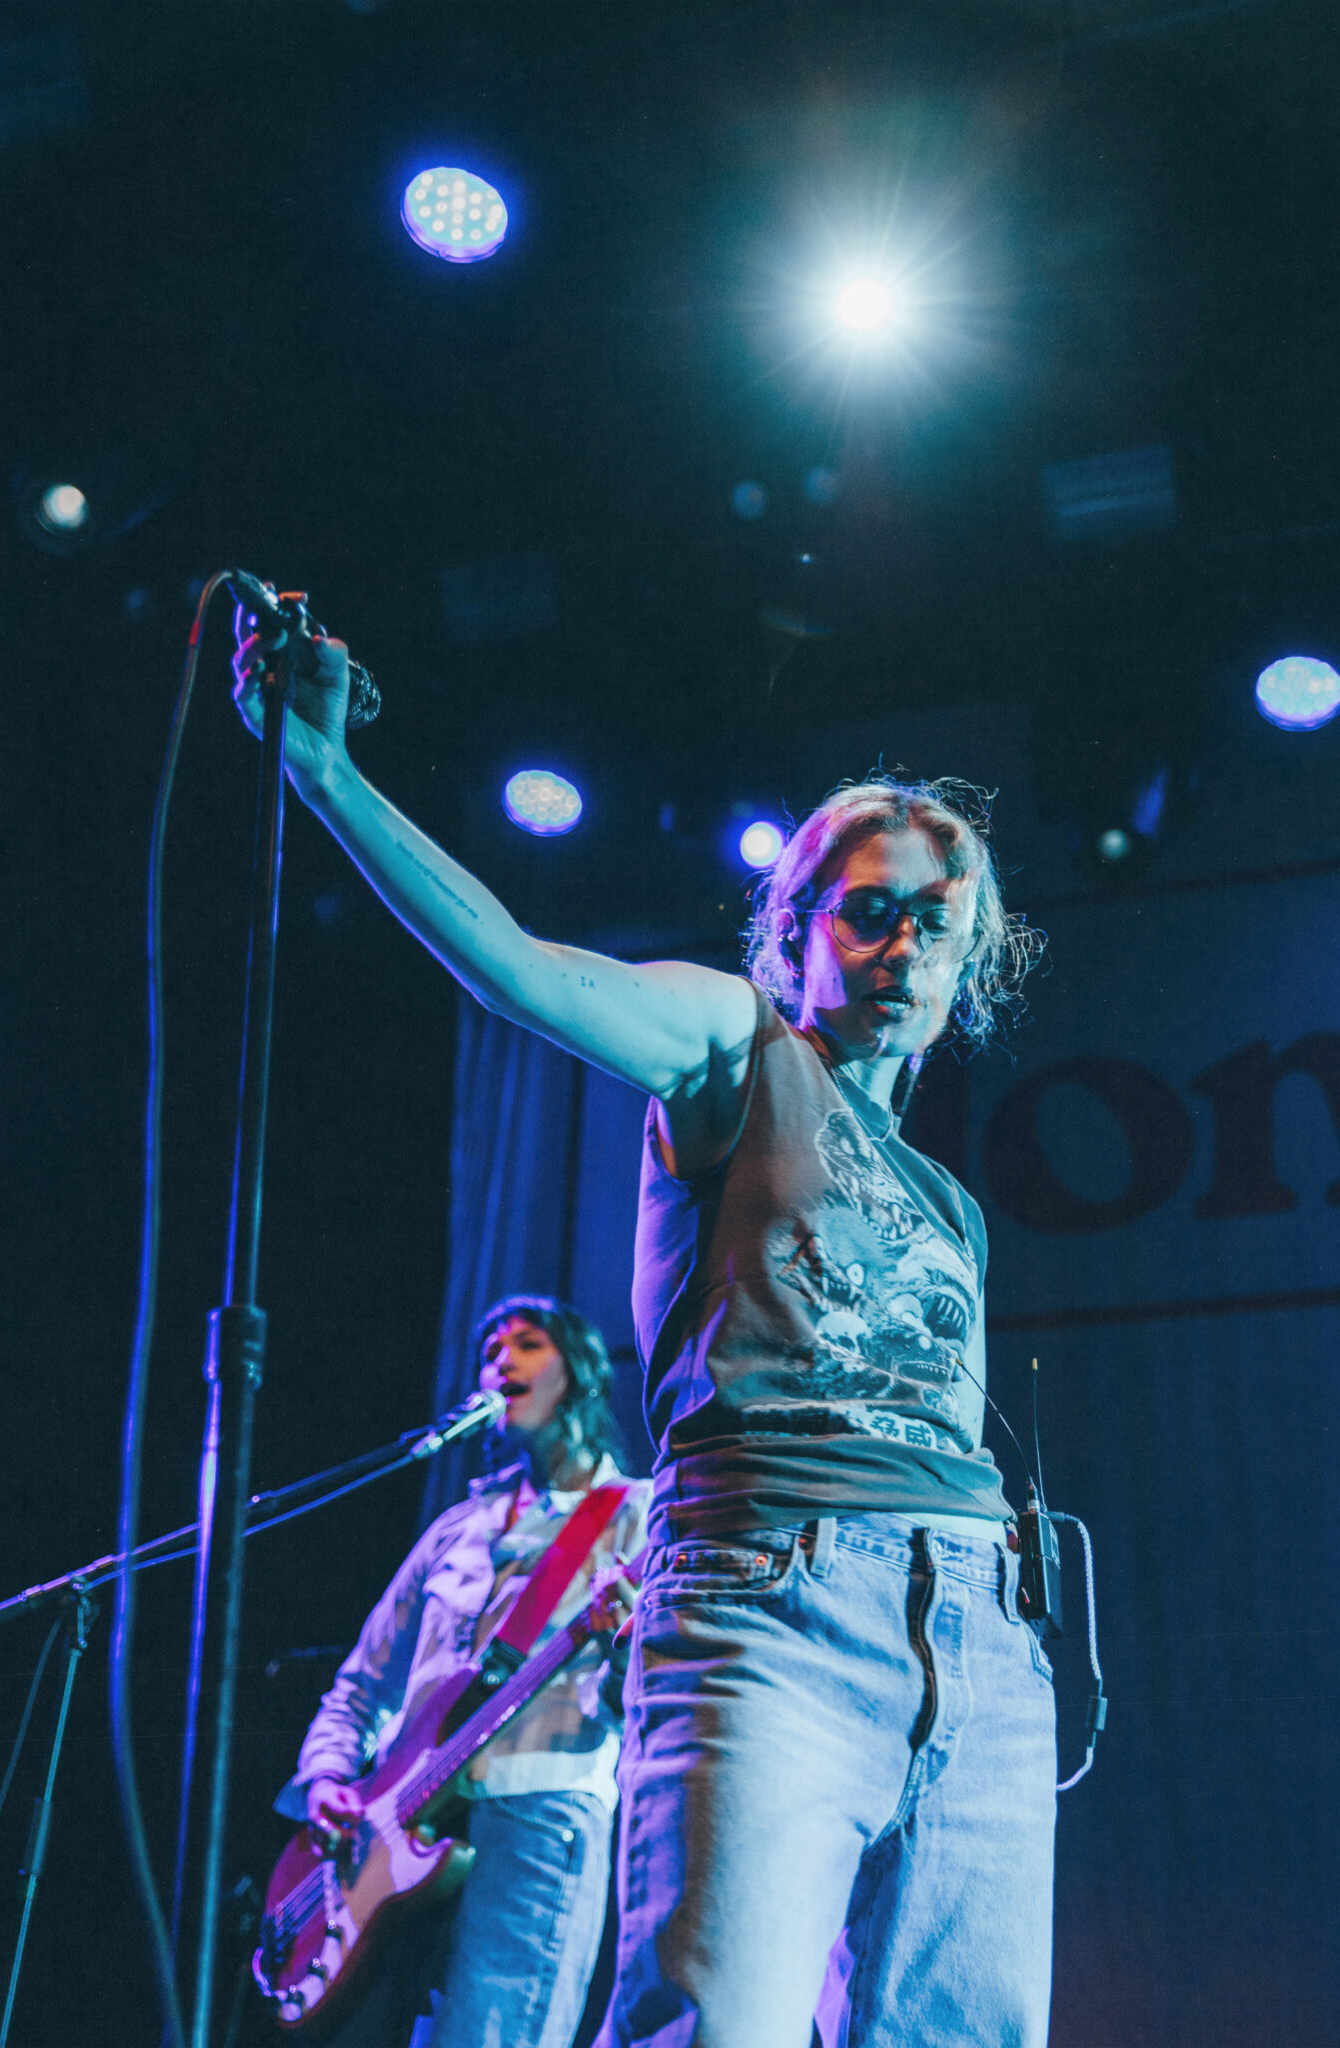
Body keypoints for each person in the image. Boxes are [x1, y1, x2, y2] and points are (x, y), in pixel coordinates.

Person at [235, 629, 1054, 2047]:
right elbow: (521, 970)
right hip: (777, 1597)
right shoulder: (738, 1047)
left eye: (936, 922)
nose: (901, 947)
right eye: (867, 912)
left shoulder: (954, 1209)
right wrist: (322, 769)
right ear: (798, 929)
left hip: (976, 1633)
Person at [273, 1295, 650, 2048]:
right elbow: (361, 1688)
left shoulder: (637, 1519)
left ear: (579, 1374)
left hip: (536, 1817)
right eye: (489, 1351)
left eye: (528, 1343)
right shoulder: (459, 1528)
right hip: (385, 1838)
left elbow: (650, 1703)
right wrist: (326, 1779)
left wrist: (623, 1646)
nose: (501, 1361)